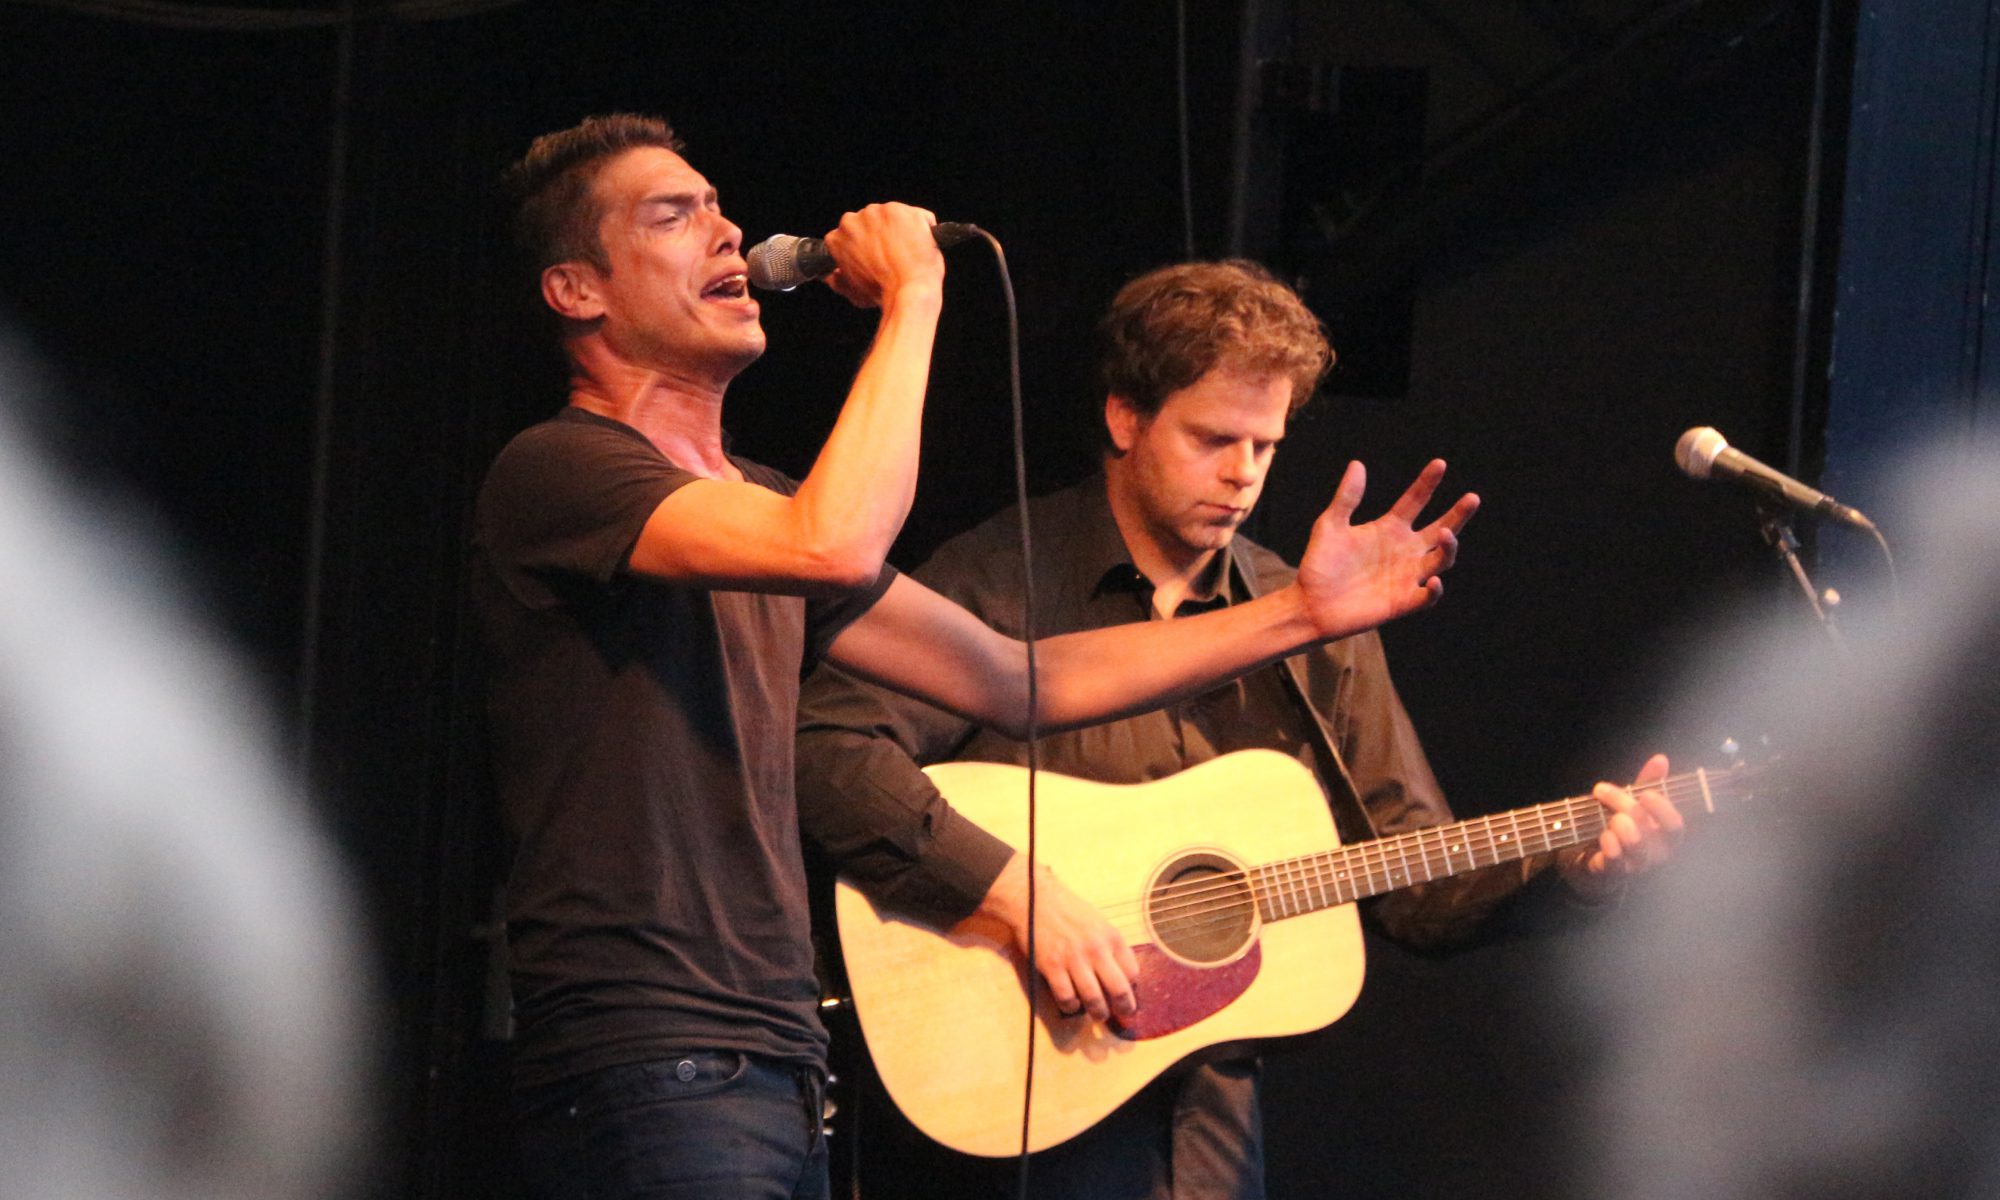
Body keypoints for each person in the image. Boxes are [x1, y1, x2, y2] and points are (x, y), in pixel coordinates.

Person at [472, 120, 1479, 1200]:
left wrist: (1297, 616)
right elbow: (833, 540)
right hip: (646, 1053)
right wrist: (913, 300)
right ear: (577, 290)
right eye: (672, 216)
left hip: (769, 1060)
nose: (727, 233)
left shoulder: (759, 506)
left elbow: (1018, 681)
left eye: (718, 205)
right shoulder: (561, 472)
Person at [794, 259, 1683, 1200]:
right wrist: (1013, 891)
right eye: (1214, 439)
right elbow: (828, 750)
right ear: (1125, 418)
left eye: (1265, 446)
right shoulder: (995, 580)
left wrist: (1575, 874)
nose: (1242, 477)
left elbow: (1413, 881)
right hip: (1010, 1099)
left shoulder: (1312, 618)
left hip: (1210, 1131)